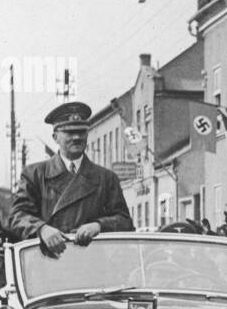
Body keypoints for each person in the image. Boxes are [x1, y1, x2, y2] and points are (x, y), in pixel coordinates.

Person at [10, 101, 134, 255]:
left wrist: (99, 225)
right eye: (69, 132)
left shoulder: (106, 178)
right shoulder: (34, 174)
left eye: (81, 132)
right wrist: (41, 229)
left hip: (92, 263)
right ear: (55, 137)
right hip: (46, 263)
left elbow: (125, 221)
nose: (76, 137)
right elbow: (17, 217)